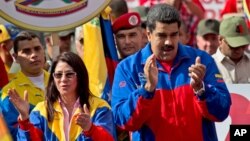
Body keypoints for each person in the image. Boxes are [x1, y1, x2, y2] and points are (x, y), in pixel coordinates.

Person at [111, 4, 231, 141]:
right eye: (161, 35)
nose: (168, 42)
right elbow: (123, 121)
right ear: (149, 35)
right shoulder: (128, 68)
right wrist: (147, 90)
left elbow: (222, 112)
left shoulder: (202, 60)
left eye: (174, 35)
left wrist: (201, 90)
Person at [8, 52, 116, 141]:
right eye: (58, 75)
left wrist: (90, 129)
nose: (63, 79)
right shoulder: (40, 111)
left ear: (81, 76)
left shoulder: (100, 107)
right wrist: (24, 119)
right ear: (53, 79)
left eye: (69, 74)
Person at [0, 31, 50, 140]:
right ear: (16, 57)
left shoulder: (60, 81)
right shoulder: (8, 92)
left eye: (37, 49)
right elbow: (13, 134)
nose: (34, 55)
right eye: (26, 51)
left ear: (43, 50)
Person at [212, 16, 250, 83]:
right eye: (234, 46)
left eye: (243, 45)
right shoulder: (209, 64)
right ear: (220, 40)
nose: (239, 50)